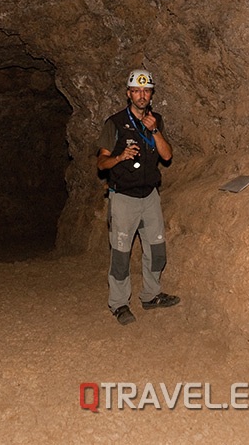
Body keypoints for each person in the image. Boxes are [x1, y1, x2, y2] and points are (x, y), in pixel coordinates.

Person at [96, 69, 180, 325]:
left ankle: (151, 295)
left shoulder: (157, 121)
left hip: (150, 196)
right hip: (122, 197)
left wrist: (154, 131)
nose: (141, 95)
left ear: (151, 94)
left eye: (146, 91)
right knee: (121, 253)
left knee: (156, 251)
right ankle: (119, 303)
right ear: (128, 93)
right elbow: (101, 163)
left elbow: (166, 156)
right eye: (136, 90)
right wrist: (120, 157)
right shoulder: (115, 123)